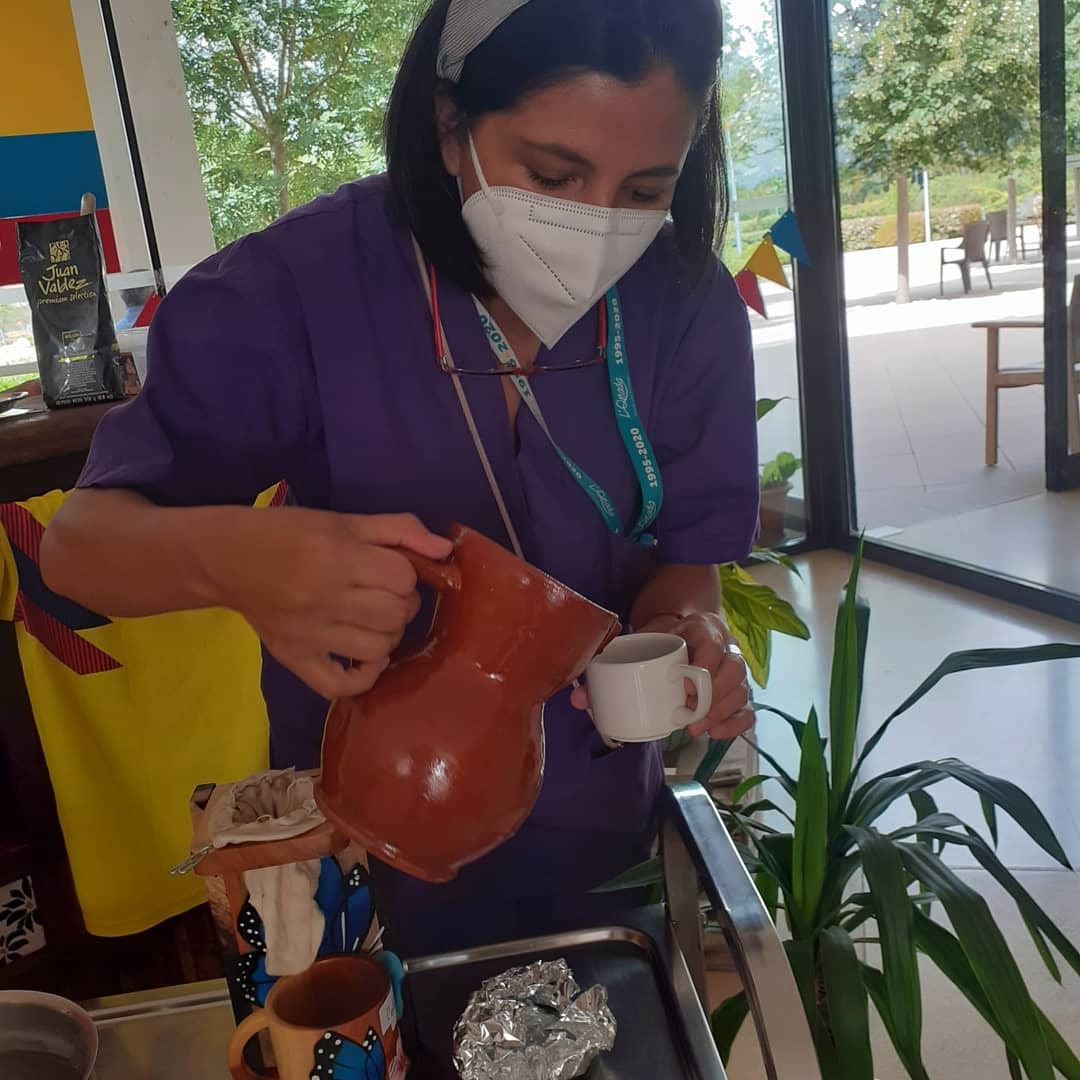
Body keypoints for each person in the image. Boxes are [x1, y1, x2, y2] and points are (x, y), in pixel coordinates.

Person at [41, 0, 759, 957]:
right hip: (356, 837)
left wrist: (690, 631)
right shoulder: (300, 289)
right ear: (449, 124)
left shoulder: (685, 304)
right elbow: (78, 551)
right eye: (553, 176)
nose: (596, 226)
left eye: (643, 189)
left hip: (595, 827)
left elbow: (688, 564)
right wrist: (239, 559)